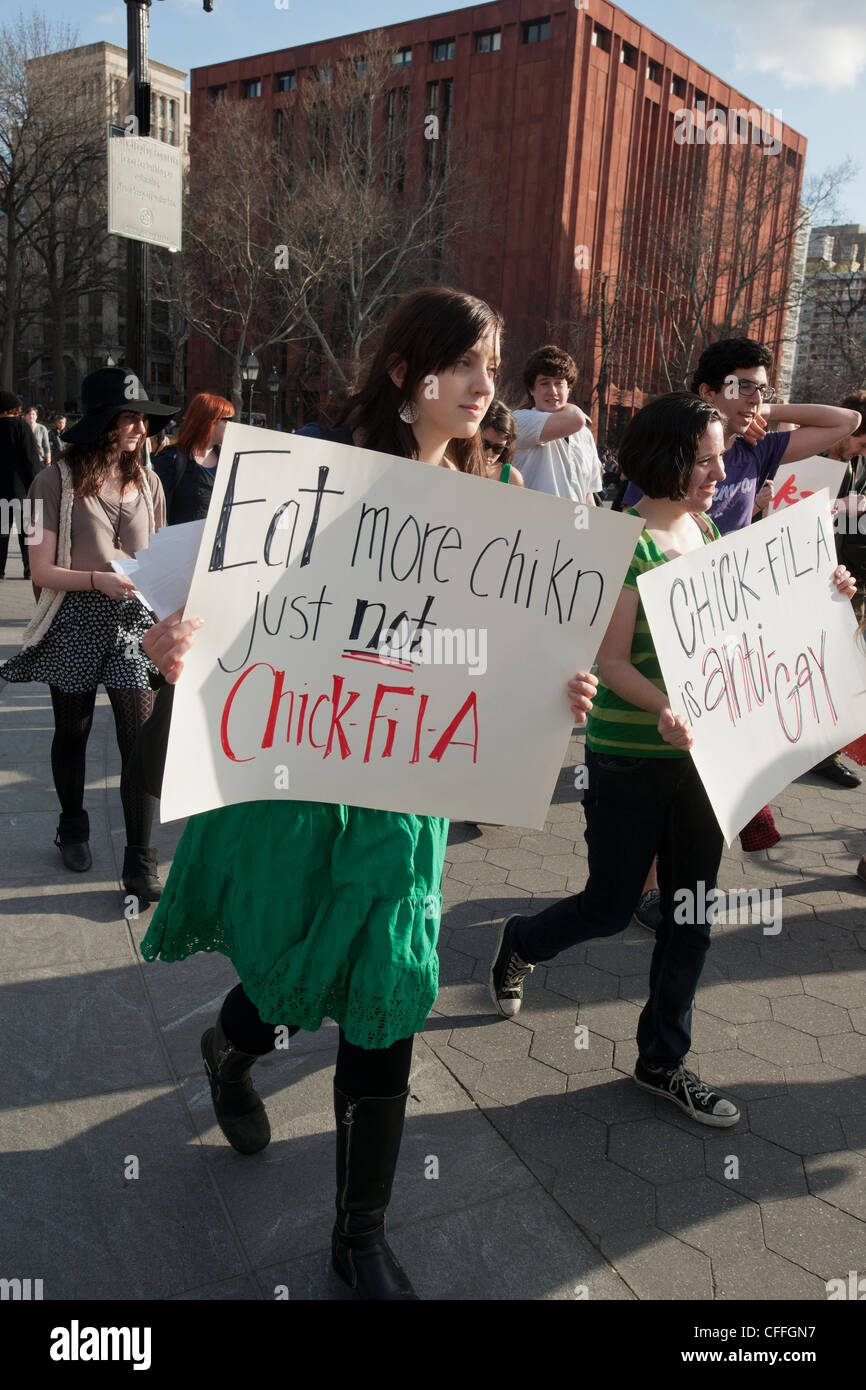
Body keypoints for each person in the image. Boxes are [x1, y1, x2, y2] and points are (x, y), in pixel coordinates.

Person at [136, 287, 598, 1300]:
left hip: (407, 789)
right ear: (405, 373)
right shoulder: (315, 476)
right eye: (466, 364)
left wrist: (548, 690)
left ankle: (358, 1235)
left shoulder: (489, 499)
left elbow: (488, 649)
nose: (486, 386)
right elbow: (215, 598)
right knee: (299, 972)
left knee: (390, 987)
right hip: (305, 777)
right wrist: (166, 638)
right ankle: (232, 1043)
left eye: (493, 363)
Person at [487, 391, 857, 1125]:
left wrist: (830, 591)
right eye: (706, 459)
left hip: (703, 764)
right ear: (666, 459)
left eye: (721, 457)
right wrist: (666, 709)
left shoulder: (713, 534)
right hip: (629, 757)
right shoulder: (625, 542)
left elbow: (757, 632)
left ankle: (662, 1060)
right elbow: (609, 659)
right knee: (611, 905)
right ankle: (522, 941)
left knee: (691, 913)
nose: (721, 472)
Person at [623, 339, 861, 850]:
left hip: (736, 620)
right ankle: (647, 886)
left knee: (714, 764)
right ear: (707, 391)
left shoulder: (759, 447)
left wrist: (764, 408)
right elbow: (639, 539)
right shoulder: (668, 454)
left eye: (762, 387)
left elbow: (846, 422)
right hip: (676, 621)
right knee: (669, 772)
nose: (754, 398)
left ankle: (695, 867)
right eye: (743, 387)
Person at [0, 368, 176, 900]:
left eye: (143, 419)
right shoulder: (47, 483)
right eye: (129, 418)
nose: (140, 429)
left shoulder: (151, 482)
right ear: (102, 423)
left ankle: (139, 860)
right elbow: (39, 571)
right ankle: (72, 825)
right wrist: (100, 578)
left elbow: (164, 557)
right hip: (75, 620)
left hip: (133, 627)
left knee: (137, 742)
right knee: (71, 732)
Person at [511, 345, 601, 503]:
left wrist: (589, 526)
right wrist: (570, 407)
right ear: (531, 390)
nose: (552, 391)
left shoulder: (585, 435)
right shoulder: (520, 420)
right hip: (530, 524)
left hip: (574, 526)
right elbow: (576, 420)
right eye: (544, 383)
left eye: (559, 383)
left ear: (569, 389)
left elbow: (588, 495)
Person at [153, 395, 234, 525]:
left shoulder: (230, 459)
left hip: (220, 543)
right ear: (210, 422)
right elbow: (158, 513)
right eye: (227, 420)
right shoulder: (171, 459)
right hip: (184, 542)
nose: (232, 425)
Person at [0, 392, 41, 580]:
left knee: (1, 532)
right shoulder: (22, 427)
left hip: (0, 491)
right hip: (22, 490)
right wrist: (37, 484)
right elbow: (31, 460)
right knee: (27, 533)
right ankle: (29, 569)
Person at [479, 399, 523, 485]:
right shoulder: (453, 464)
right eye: (485, 445)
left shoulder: (512, 477)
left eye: (498, 448)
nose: (489, 454)